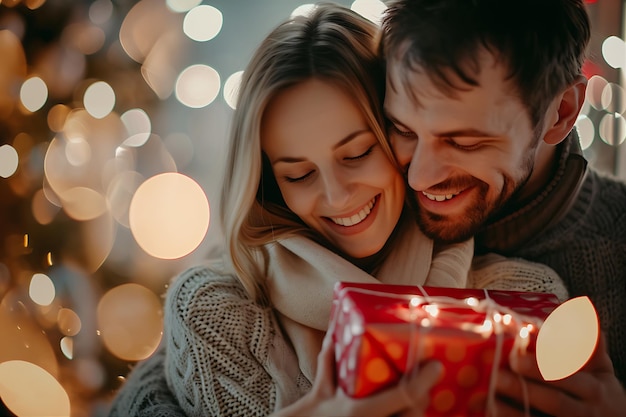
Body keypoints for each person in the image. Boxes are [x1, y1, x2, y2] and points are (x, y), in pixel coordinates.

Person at [106, 3, 568, 416]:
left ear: (397, 129)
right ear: (268, 183)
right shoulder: (215, 309)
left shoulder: (517, 297)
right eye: (298, 175)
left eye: (357, 154)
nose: (338, 196)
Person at [379, 0, 626, 415]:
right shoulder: (367, 213)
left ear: (561, 113)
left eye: (464, 141)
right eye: (403, 129)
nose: (419, 178)